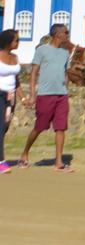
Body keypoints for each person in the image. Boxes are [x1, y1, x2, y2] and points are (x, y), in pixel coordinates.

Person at [19, 23, 73, 172]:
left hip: (61, 95)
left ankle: (59, 162)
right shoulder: (42, 50)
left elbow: (66, 73)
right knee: (39, 127)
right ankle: (25, 153)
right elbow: (34, 73)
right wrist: (32, 94)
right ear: (57, 34)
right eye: (65, 32)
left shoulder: (65, 53)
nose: (67, 35)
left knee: (61, 127)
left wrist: (66, 89)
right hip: (45, 94)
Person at [1, 28, 30, 174]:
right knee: (0, 127)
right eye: (16, 40)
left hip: (11, 97)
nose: (18, 42)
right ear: (8, 42)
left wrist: (23, 97)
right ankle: (1, 162)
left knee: (5, 127)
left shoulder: (15, 58)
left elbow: (16, 81)